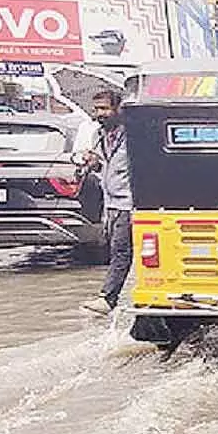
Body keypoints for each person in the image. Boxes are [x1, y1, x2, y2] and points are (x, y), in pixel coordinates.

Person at [81, 90, 134, 316]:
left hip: (129, 203)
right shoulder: (99, 136)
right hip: (110, 203)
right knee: (117, 251)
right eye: (96, 109)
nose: (99, 113)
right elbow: (106, 168)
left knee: (121, 251)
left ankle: (108, 298)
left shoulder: (132, 136)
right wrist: (93, 164)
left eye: (104, 108)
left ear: (118, 109)